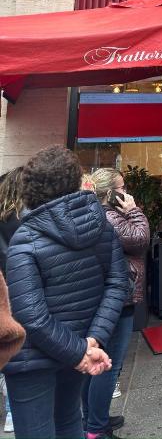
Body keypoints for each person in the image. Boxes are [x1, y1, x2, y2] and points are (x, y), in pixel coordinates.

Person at [4, 146, 127, 439]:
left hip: (33, 360)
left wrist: (82, 351)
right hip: (79, 344)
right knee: (70, 422)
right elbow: (117, 284)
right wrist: (91, 341)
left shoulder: (25, 238)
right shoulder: (102, 226)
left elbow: (30, 317)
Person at [83, 168, 150, 439]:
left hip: (103, 296)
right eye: (122, 187)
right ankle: (97, 428)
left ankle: (91, 418)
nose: (126, 192)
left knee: (96, 362)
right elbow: (140, 239)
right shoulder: (110, 216)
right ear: (110, 193)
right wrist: (134, 211)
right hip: (118, 298)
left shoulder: (93, 213)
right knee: (108, 365)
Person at [0, 167, 26, 433]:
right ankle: (12, 411)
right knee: (18, 346)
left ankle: (9, 410)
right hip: (19, 287)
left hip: (3, 289)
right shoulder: (25, 218)